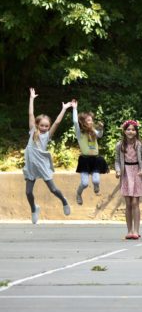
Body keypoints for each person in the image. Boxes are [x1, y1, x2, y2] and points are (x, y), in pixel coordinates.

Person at [23, 88, 73, 223]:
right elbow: (31, 114)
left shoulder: (47, 135)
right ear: (37, 125)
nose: (44, 128)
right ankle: (34, 208)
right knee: (28, 192)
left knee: (53, 189)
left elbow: (57, 122)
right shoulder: (33, 131)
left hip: (42, 164)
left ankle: (64, 201)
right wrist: (31, 98)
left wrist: (64, 109)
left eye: (46, 126)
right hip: (31, 165)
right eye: (42, 125)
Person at [114, 120, 142, 240]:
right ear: (124, 131)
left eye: (133, 130)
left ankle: (136, 231)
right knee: (128, 203)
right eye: (128, 129)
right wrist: (118, 171)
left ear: (136, 131)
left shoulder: (140, 145)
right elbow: (117, 161)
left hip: (137, 173)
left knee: (135, 203)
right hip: (126, 174)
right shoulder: (120, 145)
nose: (130, 132)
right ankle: (129, 231)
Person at [71, 99, 108, 205]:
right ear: (83, 122)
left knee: (96, 180)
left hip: (95, 159)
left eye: (91, 120)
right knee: (84, 183)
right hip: (85, 160)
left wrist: (101, 128)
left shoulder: (93, 131)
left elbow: (100, 135)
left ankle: (96, 187)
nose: (91, 122)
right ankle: (78, 194)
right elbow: (75, 122)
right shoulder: (79, 133)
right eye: (88, 120)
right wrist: (74, 109)